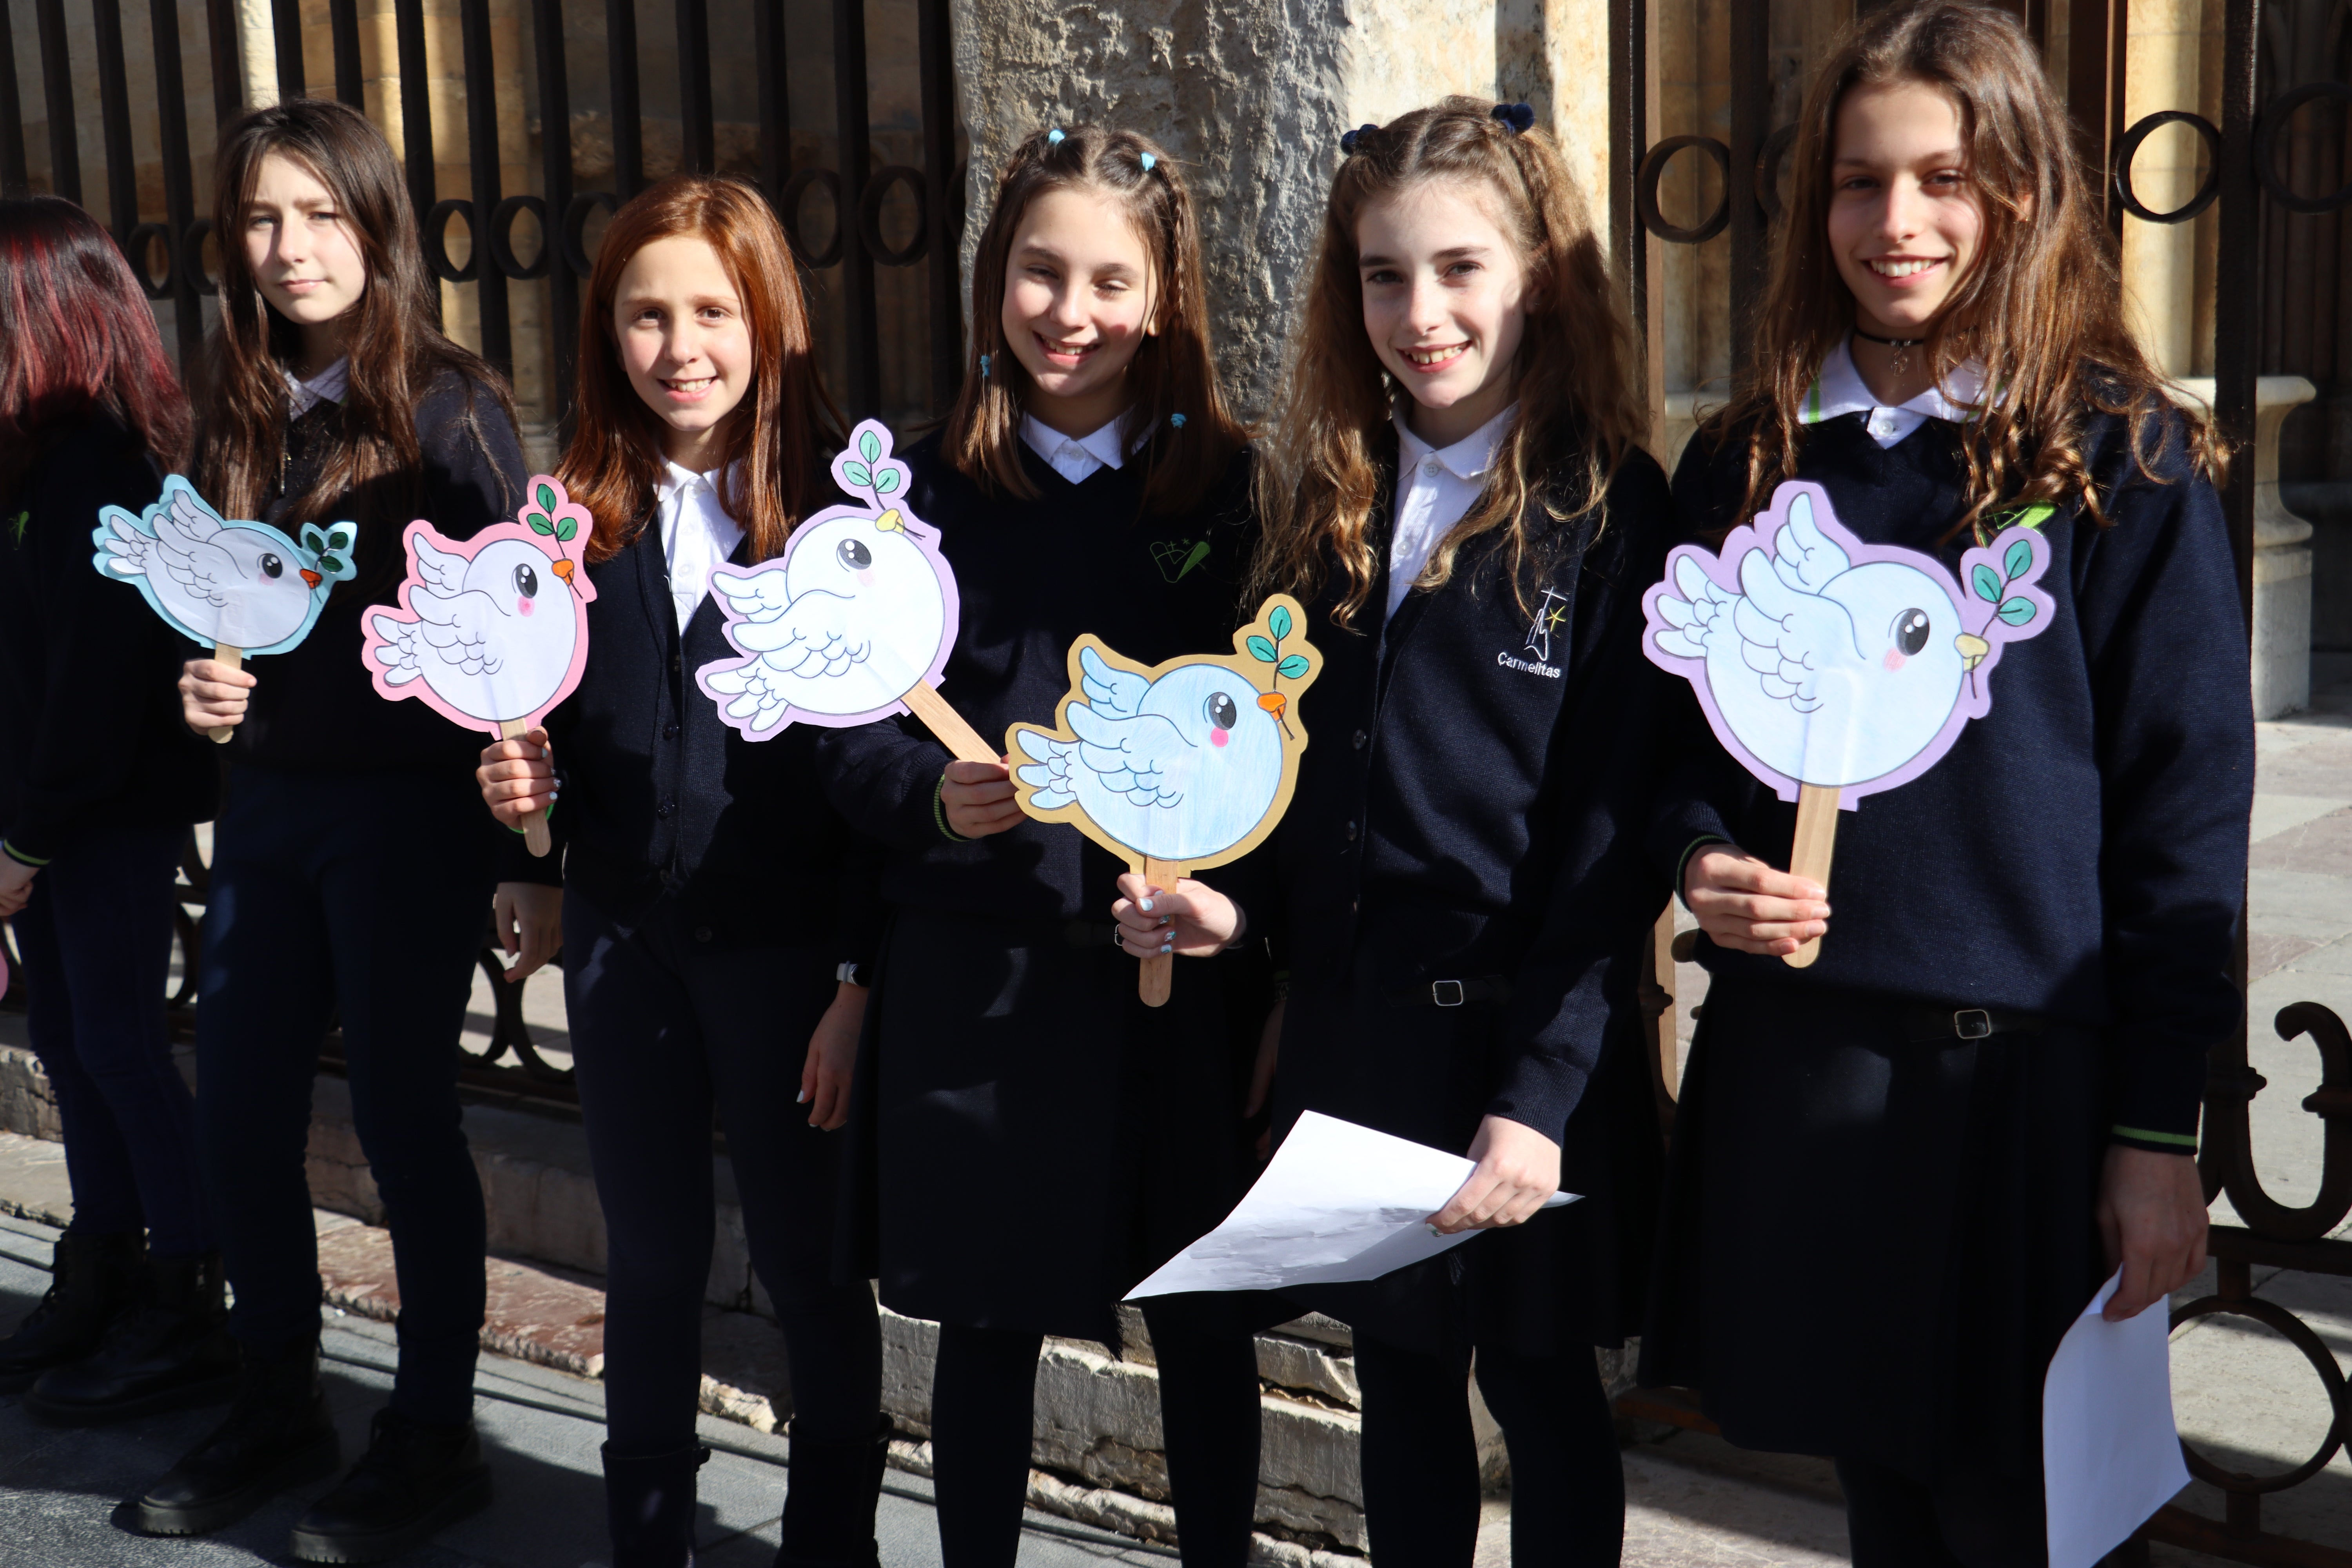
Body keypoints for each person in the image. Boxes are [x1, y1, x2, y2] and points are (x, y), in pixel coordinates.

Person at [1642, 5, 2238, 1562]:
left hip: (2021, 1100)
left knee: (2026, 1524)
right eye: (1857, 181)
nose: (1894, 223)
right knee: (1882, 1513)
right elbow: (1673, 760)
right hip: (1808, 1077)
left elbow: (2183, 830)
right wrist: (1706, 860)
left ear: (2024, 192)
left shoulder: (2125, 462)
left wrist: (2155, 1134)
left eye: (1942, 180)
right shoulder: (1752, 460)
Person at [1138, 99, 1674, 1566]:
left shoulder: (1617, 511)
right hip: (1363, 1044)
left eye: (1460, 269)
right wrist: (1240, 927)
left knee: (1545, 1390)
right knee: (1403, 1390)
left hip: (1520, 1050)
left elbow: (1613, 843)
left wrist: (1543, 1094)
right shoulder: (1327, 501)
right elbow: (1310, 799)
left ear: (1540, 279)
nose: (1422, 313)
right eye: (1386, 276)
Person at [812, 125, 1272, 1568]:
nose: (1070, 313)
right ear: (990, 279)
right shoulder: (915, 494)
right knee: (989, 1332)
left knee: (1201, 1329)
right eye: (1038, 272)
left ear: (1165, 296)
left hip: (1164, 984)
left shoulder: (1229, 490)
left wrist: (1219, 890)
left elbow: (1280, 737)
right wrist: (924, 799)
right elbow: (840, 723)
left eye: (1109, 281)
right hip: (982, 985)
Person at [124, 98, 533, 1561]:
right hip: (272, 812)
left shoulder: (450, 406)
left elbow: (523, 634)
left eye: (321, 214)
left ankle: (433, 1435)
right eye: (261, 219)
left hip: (408, 823)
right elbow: (204, 620)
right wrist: (203, 696)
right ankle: (277, 1395)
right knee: (237, 1109)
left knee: (405, 1119)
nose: (292, 249)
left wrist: (523, 852)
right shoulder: (232, 402)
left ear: (377, 225)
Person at [473, 174, 890, 1568]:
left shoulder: (844, 532)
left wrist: (856, 981)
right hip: (625, 944)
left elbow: (880, 788)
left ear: (770, 320)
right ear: (606, 332)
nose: (680, 345)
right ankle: (646, 1535)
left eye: (712, 309)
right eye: (646, 314)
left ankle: (832, 1541)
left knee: (808, 1267)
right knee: (648, 1263)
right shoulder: (569, 527)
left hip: (789, 966)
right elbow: (552, 757)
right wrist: (526, 818)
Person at [0, 196, 227, 1412]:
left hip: (99, 821)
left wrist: (23, 840)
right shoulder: (32, 468)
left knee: (121, 1049)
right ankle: (102, 1264)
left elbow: (92, 689)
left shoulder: (100, 469)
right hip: (39, 823)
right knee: (71, 1050)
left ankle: (187, 1290)